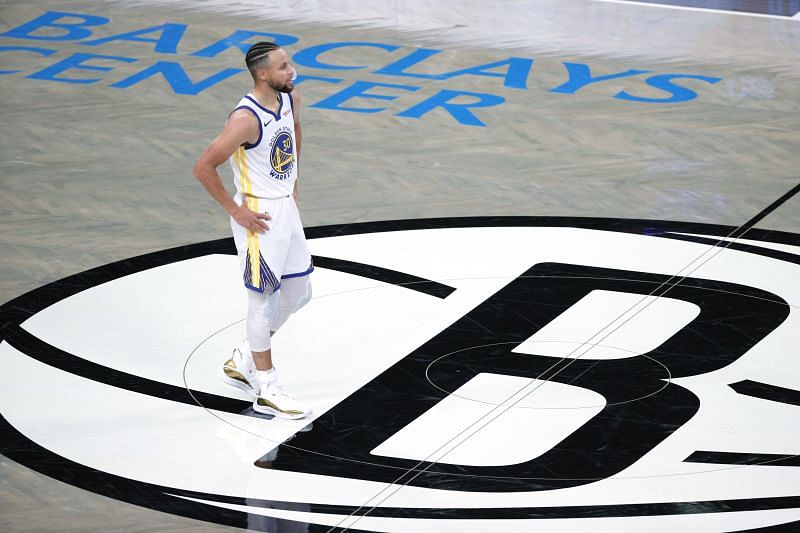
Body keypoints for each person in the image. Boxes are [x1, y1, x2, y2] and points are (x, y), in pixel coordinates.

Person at [193, 41, 313, 420]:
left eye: (288, 63)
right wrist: (236, 210)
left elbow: (293, 131)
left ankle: (244, 356)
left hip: (284, 207)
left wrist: (293, 180)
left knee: (298, 292)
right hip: (258, 215)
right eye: (282, 67)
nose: (290, 71)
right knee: (262, 300)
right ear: (262, 74)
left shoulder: (288, 99)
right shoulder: (245, 120)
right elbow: (203, 167)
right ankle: (267, 387)